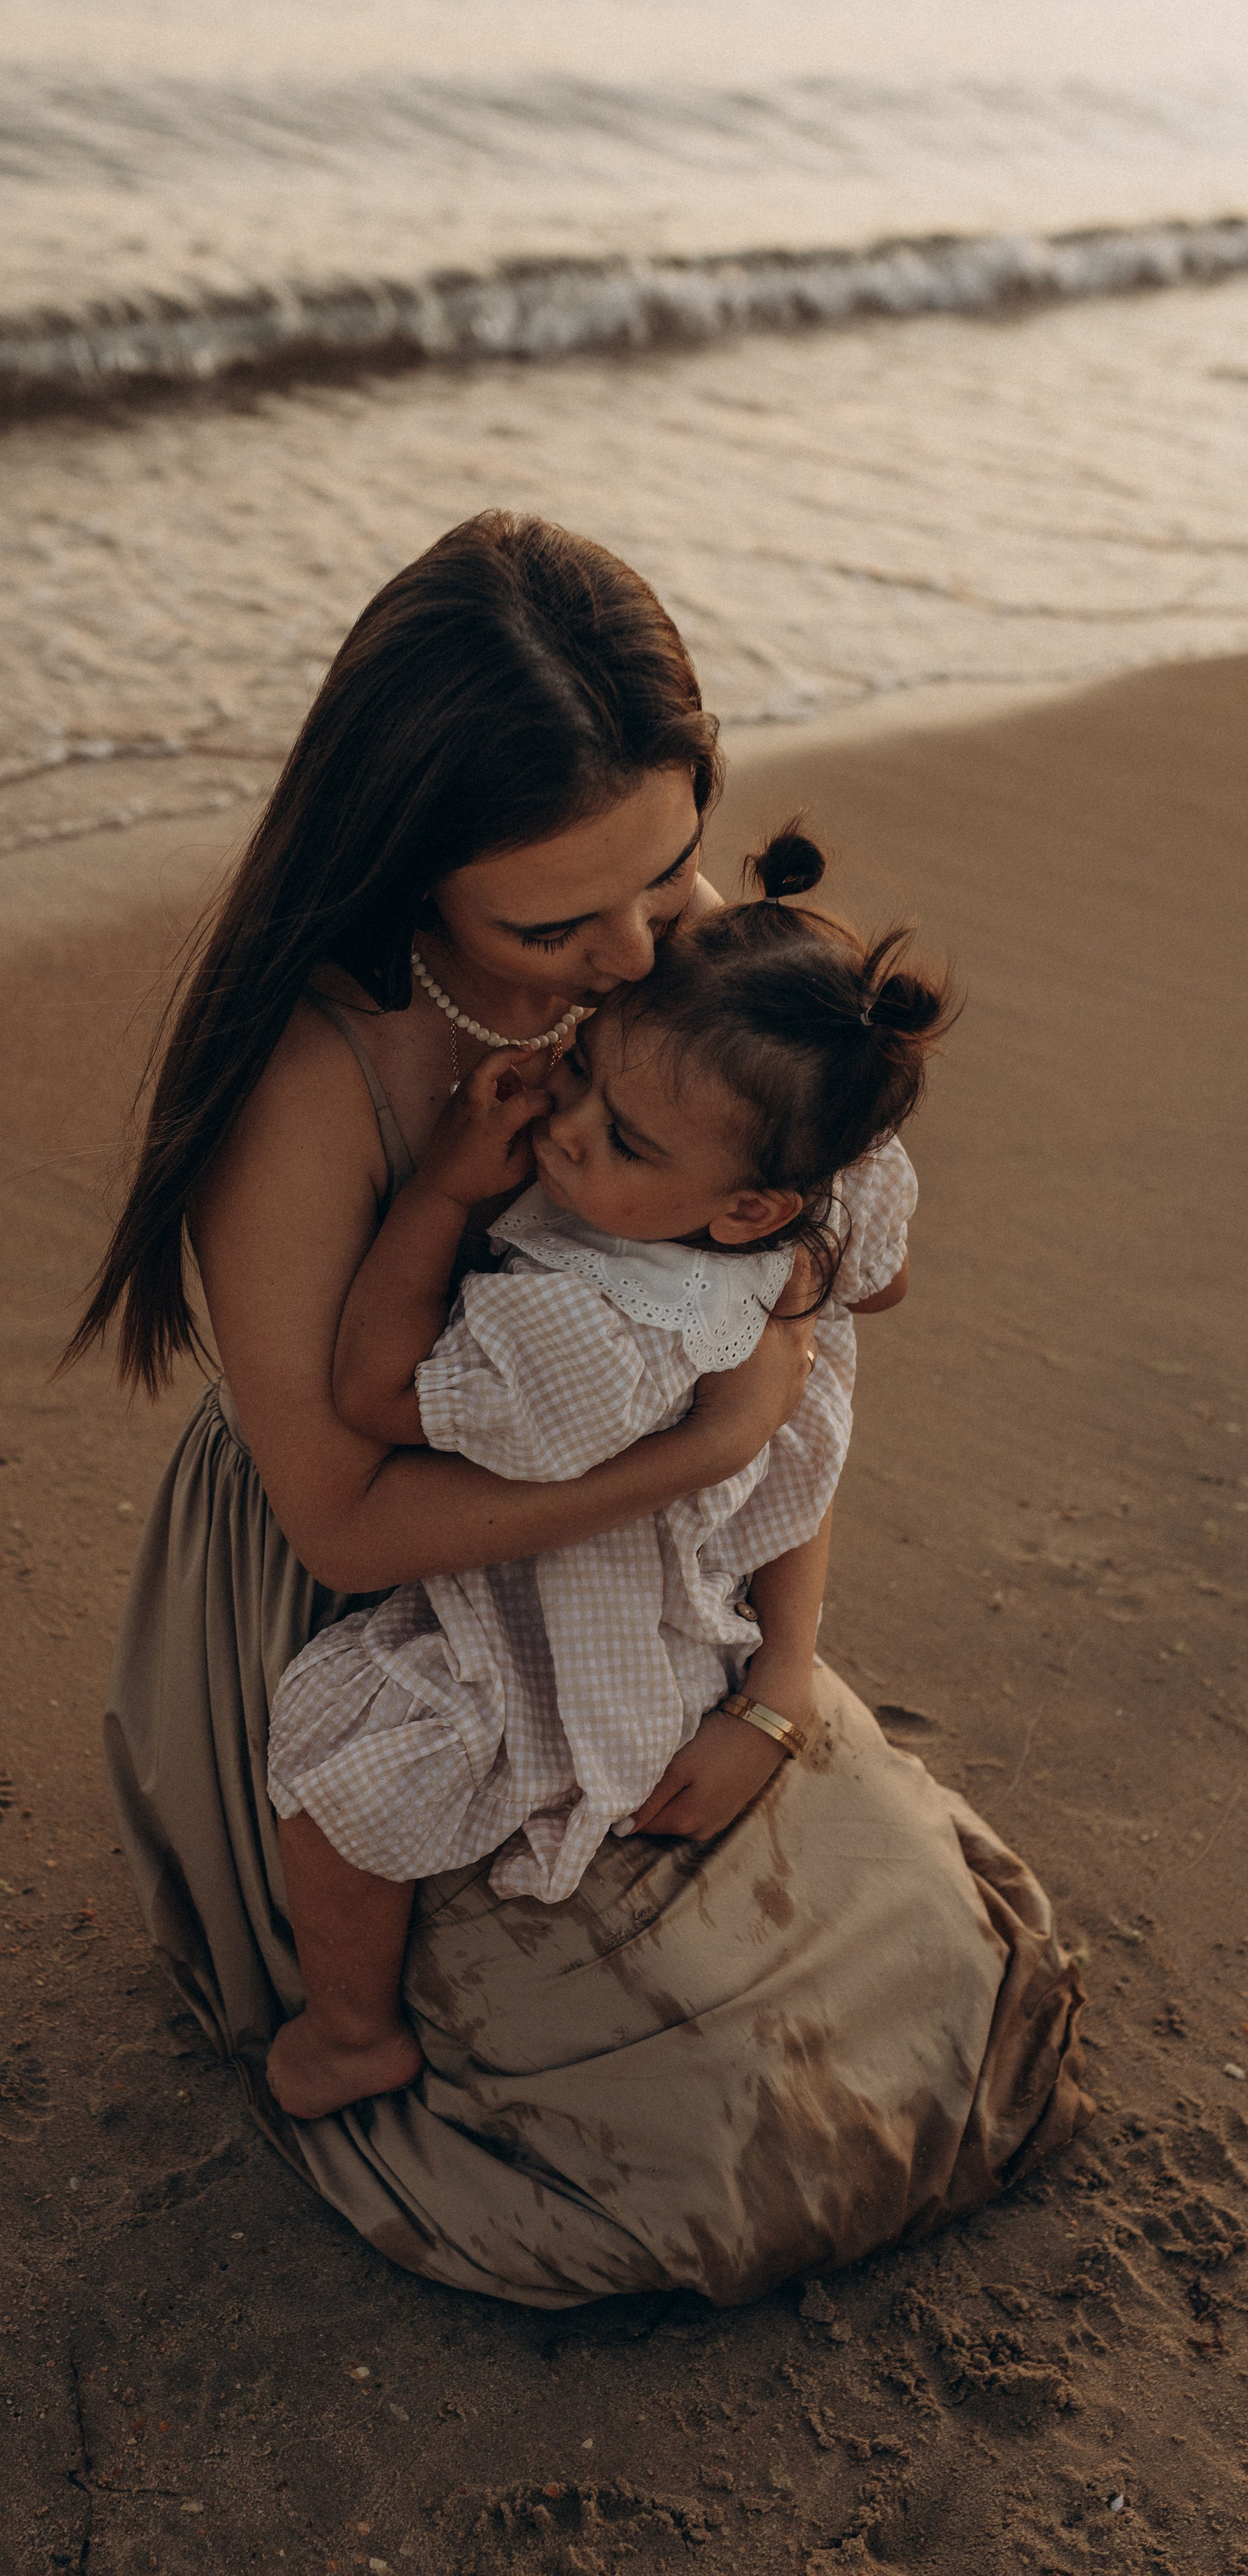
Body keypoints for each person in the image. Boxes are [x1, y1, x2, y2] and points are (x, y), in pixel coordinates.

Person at [77, 509, 1089, 2309]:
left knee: (944, 1983)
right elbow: (347, 1519)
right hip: (383, 1608)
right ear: (409, 872)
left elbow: (806, 1345)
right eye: (556, 922)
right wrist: (704, 1447)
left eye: (671, 870)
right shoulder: (312, 1080)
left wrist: (778, 1686)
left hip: (646, 1587)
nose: (637, 951)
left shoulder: (684, 967)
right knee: (713, 2142)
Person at [264, 826, 948, 2118]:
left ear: (745, 1208)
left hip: (560, 1619)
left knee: (346, 1774)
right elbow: (888, 1276)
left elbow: (374, 1393)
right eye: (579, 1071)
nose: (566, 1133)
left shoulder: (586, 1327)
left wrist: (444, 1192)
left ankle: (349, 2032)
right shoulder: (814, 1193)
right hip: (714, 1583)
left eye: (624, 1142)